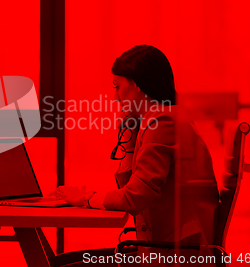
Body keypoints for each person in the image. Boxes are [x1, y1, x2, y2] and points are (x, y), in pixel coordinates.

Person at [52, 45, 219, 266]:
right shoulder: (162, 118)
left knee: (61, 265)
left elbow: (134, 198)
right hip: (172, 247)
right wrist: (130, 134)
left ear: (138, 85)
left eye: (117, 86)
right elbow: (131, 186)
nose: (115, 97)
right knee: (62, 261)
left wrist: (85, 198)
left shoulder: (163, 122)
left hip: (178, 253)